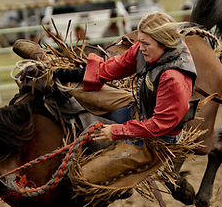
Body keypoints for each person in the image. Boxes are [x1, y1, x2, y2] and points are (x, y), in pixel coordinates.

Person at [55, 11, 196, 144]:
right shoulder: (141, 50)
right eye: (140, 42)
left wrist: (116, 131)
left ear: (164, 42)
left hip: (161, 136)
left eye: (146, 44)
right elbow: (113, 68)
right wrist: (71, 74)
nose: (141, 47)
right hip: (142, 106)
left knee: (94, 168)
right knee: (75, 87)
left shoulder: (173, 78)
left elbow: (159, 125)